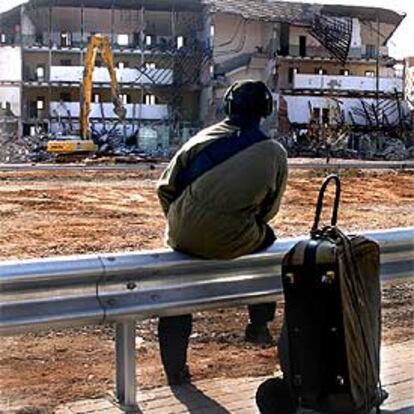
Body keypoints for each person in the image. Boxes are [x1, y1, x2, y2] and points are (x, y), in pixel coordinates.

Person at [156, 80, 288, 385]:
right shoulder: (273, 152)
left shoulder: (201, 138)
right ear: (265, 111)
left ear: (228, 107)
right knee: (268, 244)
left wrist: (181, 223)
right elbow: (270, 209)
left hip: (181, 235)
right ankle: (258, 323)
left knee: (177, 296)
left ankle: (175, 371)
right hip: (235, 238)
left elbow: (165, 188)